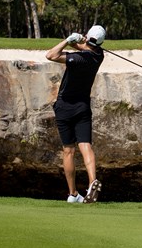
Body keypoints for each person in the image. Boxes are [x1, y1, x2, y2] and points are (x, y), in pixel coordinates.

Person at [45, 24, 106, 203]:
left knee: (68, 151)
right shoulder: (98, 55)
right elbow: (85, 48)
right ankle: (92, 181)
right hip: (83, 107)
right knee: (85, 145)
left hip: (64, 107)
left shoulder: (76, 59)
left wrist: (67, 40)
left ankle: (72, 194)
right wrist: (78, 41)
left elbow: (51, 55)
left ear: (89, 37)